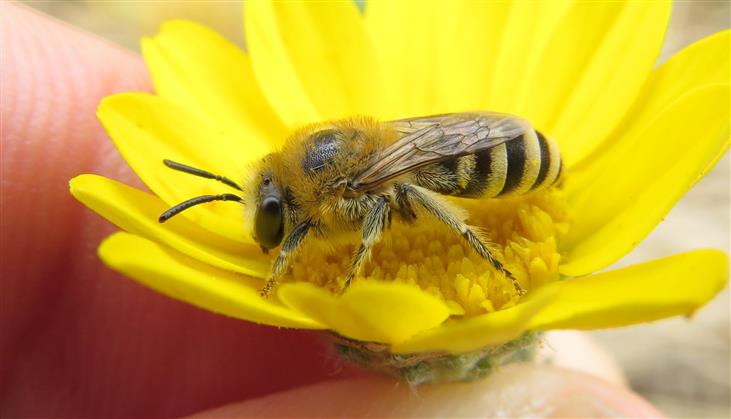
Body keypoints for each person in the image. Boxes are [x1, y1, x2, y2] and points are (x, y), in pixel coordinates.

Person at [0, 4, 663, 417]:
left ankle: (484, 250)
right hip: (491, 137)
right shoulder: (319, 174)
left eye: (275, 228)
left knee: (408, 196)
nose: (272, 241)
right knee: (406, 192)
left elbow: (387, 206)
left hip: (503, 161)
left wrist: (355, 281)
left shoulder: (335, 189)